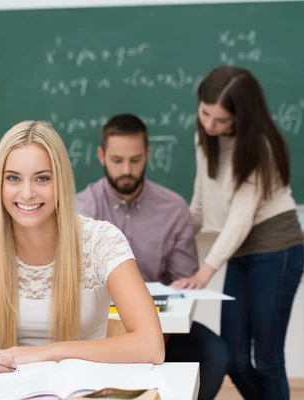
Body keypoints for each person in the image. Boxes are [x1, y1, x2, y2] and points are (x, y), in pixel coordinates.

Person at [0, 120, 164, 373]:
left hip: (84, 389)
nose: (27, 193)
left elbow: (151, 345)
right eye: (13, 178)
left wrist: (47, 353)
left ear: (60, 181)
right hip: (5, 388)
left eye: (42, 178)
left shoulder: (102, 240)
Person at [171, 66, 304, 400]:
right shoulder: (205, 136)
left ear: (241, 118)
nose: (209, 125)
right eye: (204, 114)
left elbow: (240, 220)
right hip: (242, 252)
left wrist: (204, 273)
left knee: (267, 359)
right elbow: (200, 204)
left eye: (221, 121)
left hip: (277, 251)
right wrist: (172, 241)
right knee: (235, 357)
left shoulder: (259, 148)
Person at [76, 113, 230, 400]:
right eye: (117, 160)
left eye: (135, 160)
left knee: (215, 354)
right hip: (97, 328)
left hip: (161, 326)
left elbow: (183, 286)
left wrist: (152, 337)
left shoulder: (173, 209)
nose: (126, 170)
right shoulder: (80, 210)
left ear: (148, 154)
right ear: (101, 156)